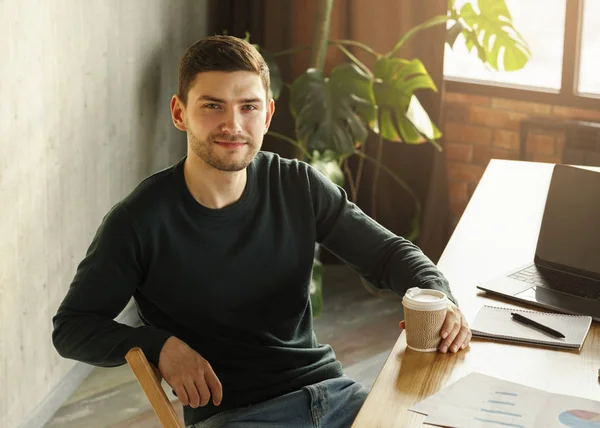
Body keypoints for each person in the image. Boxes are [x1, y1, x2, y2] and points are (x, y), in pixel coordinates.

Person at [52, 35, 471, 428]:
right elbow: (72, 326)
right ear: (180, 113)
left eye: (248, 107)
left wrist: (441, 297)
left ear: (267, 114)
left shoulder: (297, 184)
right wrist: (159, 345)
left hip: (334, 397)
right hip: (237, 416)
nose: (232, 125)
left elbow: (389, 254)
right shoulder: (139, 220)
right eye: (212, 106)